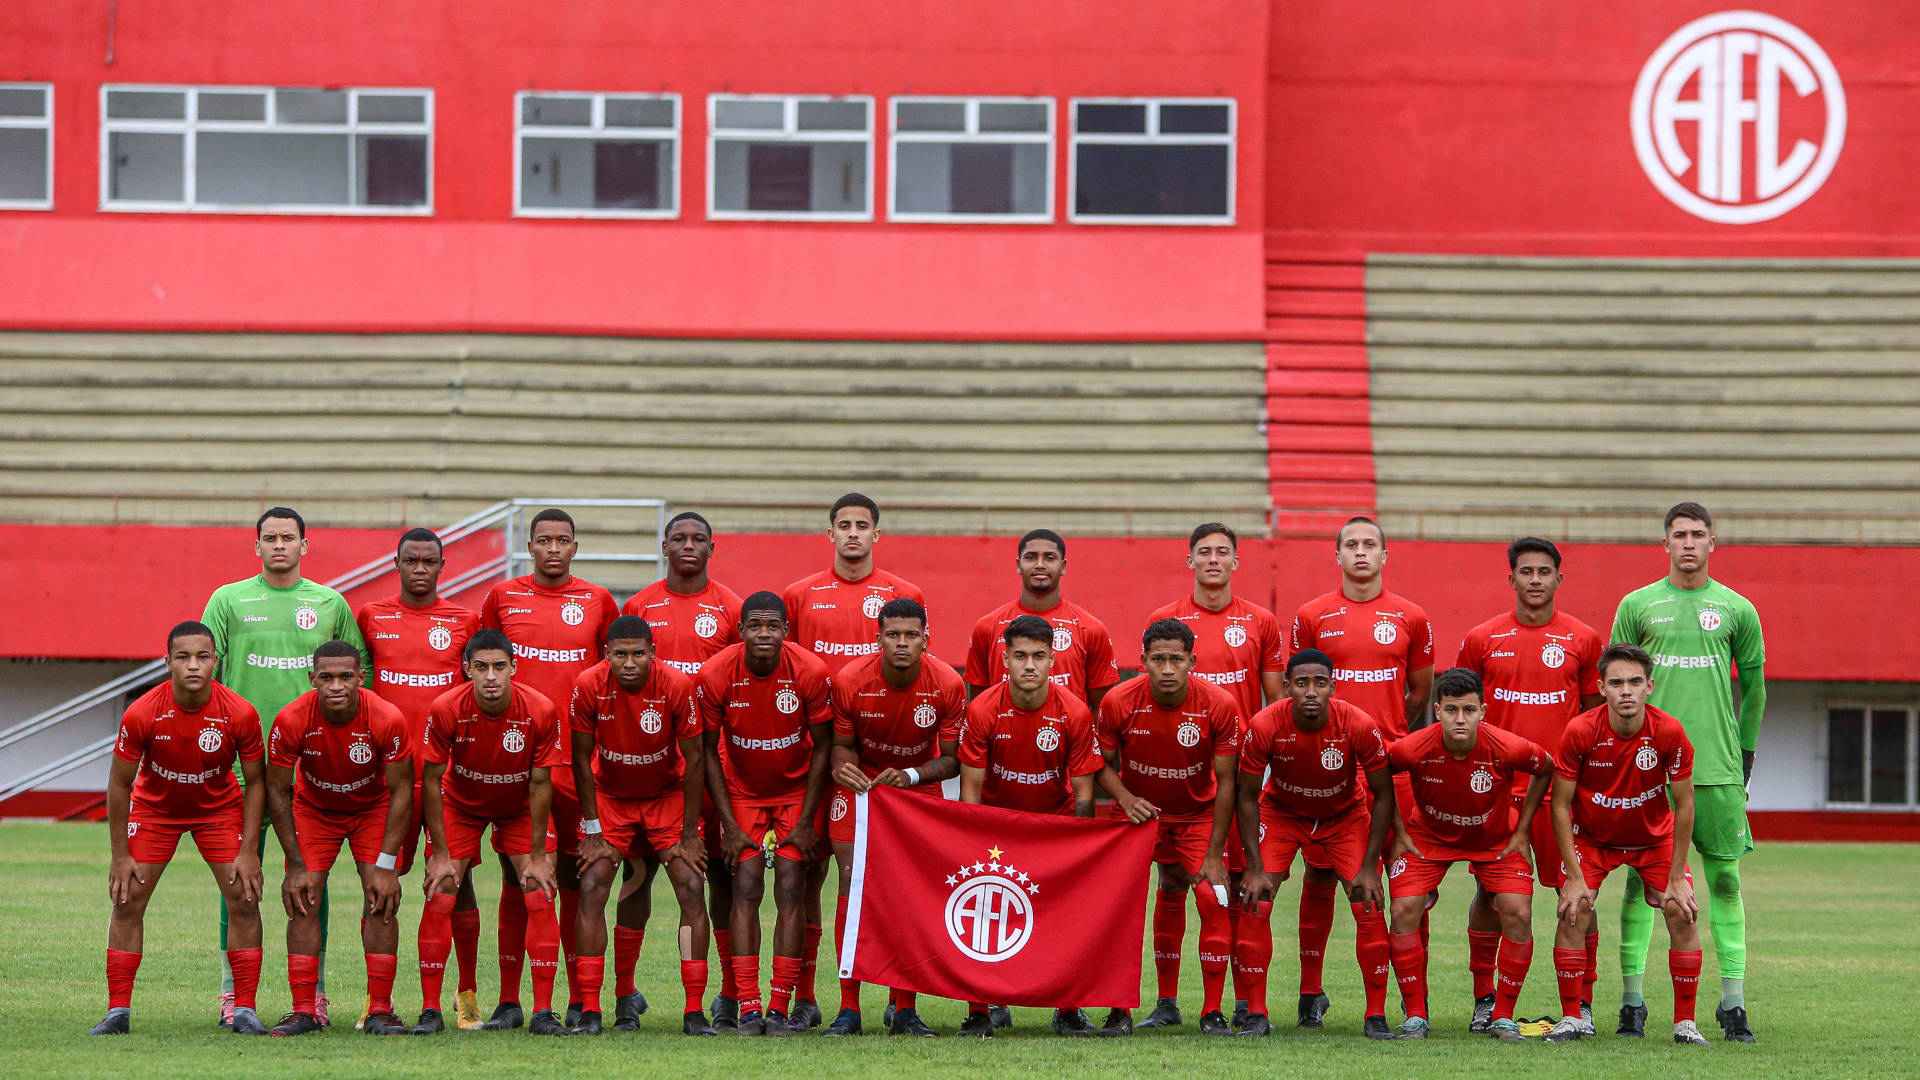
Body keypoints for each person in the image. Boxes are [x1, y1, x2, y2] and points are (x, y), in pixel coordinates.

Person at [200, 506, 368, 1027]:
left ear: (304, 545)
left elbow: (353, 678)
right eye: (269, 537)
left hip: (309, 768)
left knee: (309, 881)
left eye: (287, 537)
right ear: (256, 546)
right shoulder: (227, 600)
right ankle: (234, 995)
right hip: (243, 767)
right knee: (238, 882)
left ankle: (312, 995)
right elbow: (206, 672)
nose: (278, 545)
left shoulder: (329, 602)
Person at [1608, 501, 1765, 1042]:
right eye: (1680, 534)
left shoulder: (1737, 609)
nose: (1689, 543)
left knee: (1723, 879)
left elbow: (1756, 687)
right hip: (1648, 771)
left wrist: (1745, 753)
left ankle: (1733, 1002)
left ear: (1713, 542)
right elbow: (1615, 682)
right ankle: (1632, 1002)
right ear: (1665, 543)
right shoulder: (1637, 605)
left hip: (1717, 767)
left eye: (1699, 534)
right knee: (1640, 883)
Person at [781, 492, 926, 1027]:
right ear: (830, 534)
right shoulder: (800, 595)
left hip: (884, 770)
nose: (852, 534)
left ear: (877, 535)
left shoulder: (903, 595)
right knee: (809, 875)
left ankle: (897, 1002)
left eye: (862, 525)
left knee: (893, 885)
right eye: (843, 525)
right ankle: (805, 997)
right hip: (816, 759)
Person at [1287, 515, 1433, 1029]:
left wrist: (1384, 734)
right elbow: (1300, 685)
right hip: (1329, 769)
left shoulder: (1411, 616)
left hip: (1390, 770)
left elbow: (1419, 692)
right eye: (1351, 544)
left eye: (1370, 544)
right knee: (1320, 875)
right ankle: (1310, 992)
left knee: (1406, 883)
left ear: (1385, 555)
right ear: (1338, 555)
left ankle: (1415, 1002)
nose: (1361, 552)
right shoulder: (1311, 615)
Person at [1453, 537, 1603, 1031]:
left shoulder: (1583, 640)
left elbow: (1591, 719)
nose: (1535, 579)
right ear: (1511, 578)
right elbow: (1463, 714)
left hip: (1560, 796)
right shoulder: (1482, 639)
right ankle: (1484, 999)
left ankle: (1580, 1004)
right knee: (1497, 898)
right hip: (1500, 792)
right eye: (1526, 571)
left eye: (1544, 571)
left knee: (1575, 895)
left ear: (1559, 579)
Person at [93, 621, 268, 1036]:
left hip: (219, 811)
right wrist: (120, 855)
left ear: (215, 661)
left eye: (202, 657)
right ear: (167, 659)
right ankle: (118, 1011)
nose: (193, 665)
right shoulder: (142, 712)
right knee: (127, 900)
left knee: (244, 898)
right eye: (184, 657)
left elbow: (257, 781)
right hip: (156, 811)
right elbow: (119, 783)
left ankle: (243, 1009)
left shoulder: (239, 712)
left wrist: (249, 851)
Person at [479, 507, 618, 1028]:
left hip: (582, 765)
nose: (553, 549)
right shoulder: (502, 598)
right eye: (544, 540)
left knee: (578, 880)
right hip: (520, 764)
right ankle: (511, 1001)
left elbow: (613, 677)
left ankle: (583, 999)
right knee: (518, 879)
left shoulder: (598, 601)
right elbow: (483, 666)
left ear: (575, 547)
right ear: (529, 547)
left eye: (563, 540)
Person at [1144, 521, 1285, 1027]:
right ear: (1189, 561)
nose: (1212, 560)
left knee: (1239, 889)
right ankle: (1166, 1002)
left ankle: (1245, 999)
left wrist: (1270, 769)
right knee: (1175, 883)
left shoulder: (1261, 621)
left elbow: (1275, 703)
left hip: (1238, 778)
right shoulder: (1165, 620)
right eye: (1203, 552)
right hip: (1180, 779)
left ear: (1236, 562)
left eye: (1222, 552)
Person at [1544, 644, 1706, 1047]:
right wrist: (1575, 878)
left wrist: (1677, 877)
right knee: (1572, 909)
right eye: (1616, 683)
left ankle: (1685, 1024)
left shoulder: (1668, 731)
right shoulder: (1581, 731)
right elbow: (1560, 806)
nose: (1626, 691)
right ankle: (1573, 1017)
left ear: (1649, 685)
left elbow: (1685, 805)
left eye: (1635, 682)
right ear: (1601, 688)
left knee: (1681, 910)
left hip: (1653, 840)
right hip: (1594, 839)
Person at [357, 527, 485, 1030]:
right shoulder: (372, 617)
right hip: (386, 780)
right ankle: (377, 1002)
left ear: (442, 565)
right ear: (396, 562)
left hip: (443, 779)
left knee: (457, 883)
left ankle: (466, 995)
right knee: (378, 888)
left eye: (428, 561)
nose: (419, 569)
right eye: (410, 560)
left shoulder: (465, 620)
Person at [621, 510, 745, 1026]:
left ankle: (729, 992)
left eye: (698, 539)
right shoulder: (639, 606)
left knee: (717, 877)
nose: (688, 545)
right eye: (679, 538)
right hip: (647, 770)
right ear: (664, 545)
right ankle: (626, 990)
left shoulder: (731, 607)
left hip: (710, 766)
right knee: (636, 879)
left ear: (712, 548)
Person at [1382, 669, 1551, 1041]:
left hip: (1495, 841)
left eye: (1470, 710)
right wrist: (1397, 831)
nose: (1461, 719)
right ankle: (1415, 1015)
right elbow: (1382, 770)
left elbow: (1545, 768)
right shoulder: (1413, 747)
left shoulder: (1506, 746)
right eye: (1452, 710)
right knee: (1403, 909)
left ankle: (1501, 1014)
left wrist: (1522, 831)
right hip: (1428, 838)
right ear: (1438, 710)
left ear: (1483, 711)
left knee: (1517, 911)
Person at [414, 629, 568, 1036]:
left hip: (518, 805)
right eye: (481, 667)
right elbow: (431, 780)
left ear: (514, 668)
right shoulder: (446, 708)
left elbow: (539, 784)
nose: (491, 676)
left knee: (537, 888)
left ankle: (540, 1011)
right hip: (461, 804)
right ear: (467, 670)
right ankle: (431, 1009)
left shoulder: (540, 709)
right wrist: (442, 853)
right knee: (443, 887)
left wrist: (537, 855)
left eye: (499, 666)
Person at [1235, 649, 1395, 1040]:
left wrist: (1371, 866)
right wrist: (1255, 868)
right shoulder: (1265, 724)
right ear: (1287, 686)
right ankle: (1256, 1013)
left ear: (1333, 687)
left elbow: (1383, 793)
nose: (1311, 691)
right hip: (1283, 813)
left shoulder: (1358, 724)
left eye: (1319, 683)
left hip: (1344, 816)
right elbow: (1245, 796)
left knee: (1367, 901)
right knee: (1257, 900)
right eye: (1302, 683)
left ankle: (1375, 1015)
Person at [824, 597, 965, 1038]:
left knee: (909, 892)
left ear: (926, 638)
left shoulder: (946, 684)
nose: (902, 643)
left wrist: (908, 774)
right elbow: (841, 744)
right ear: (878, 638)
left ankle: (903, 1007)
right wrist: (841, 767)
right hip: (862, 788)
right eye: (893, 635)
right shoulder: (850, 681)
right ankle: (848, 1007)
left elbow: (951, 761)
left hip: (915, 789)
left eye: (911, 635)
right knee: (850, 879)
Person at [1094, 619, 1243, 1037]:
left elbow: (1227, 781)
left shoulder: (1219, 704)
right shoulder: (1118, 702)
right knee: (1118, 911)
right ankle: (1124, 1009)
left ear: (1192, 661)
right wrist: (1125, 799)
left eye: (1176, 659)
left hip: (1196, 817)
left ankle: (1212, 1011)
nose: (1166, 668)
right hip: (1138, 818)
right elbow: (1098, 764)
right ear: (1142, 661)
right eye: (1157, 659)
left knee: (1212, 899)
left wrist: (1215, 854)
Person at [956, 615, 1103, 1037]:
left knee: (1065, 918)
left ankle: (1069, 1008)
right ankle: (983, 1009)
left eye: (1039, 656)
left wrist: (1080, 851)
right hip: (998, 829)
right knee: (987, 916)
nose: (1030, 665)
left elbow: (1085, 793)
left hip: (1052, 828)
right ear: (1005, 659)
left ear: (1053, 660)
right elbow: (971, 791)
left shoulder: (1073, 711)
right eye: (1020, 656)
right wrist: (975, 847)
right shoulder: (983, 709)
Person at [569, 616, 714, 1036]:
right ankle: (595, 1009)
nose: (629, 663)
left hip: (664, 797)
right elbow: (581, 758)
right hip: (612, 800)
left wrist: (689, 835)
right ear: (606, 655)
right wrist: (594, 831)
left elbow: (696, 760)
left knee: (690, 885)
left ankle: (693, 1011)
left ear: (653, 653)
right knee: (594, 882)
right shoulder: (588, 686)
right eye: (620, 655)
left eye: (638, 654)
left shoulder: (676, 686)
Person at [697, 592, 834, 1036]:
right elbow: (708, 753)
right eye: (755, 626)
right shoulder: (716, 673)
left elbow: (823, 748)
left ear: (786, 631)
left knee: (792, 885)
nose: (763, 634)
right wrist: (729, 826)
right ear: (740, 631)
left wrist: (806, 818)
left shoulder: (810, 672)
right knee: (747, 885)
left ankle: (779, 1007)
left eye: (772, 626)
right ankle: (748, 1006)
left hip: (795, 791)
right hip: (742, 791)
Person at [261, 641, 413, 1036]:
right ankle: (303, 1011)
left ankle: (380, 1010)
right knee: (303, 897)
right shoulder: (291, 719)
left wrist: (385, 865)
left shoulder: (386, 718)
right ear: (312, 679)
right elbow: (277, 790)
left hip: (371, 809)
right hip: (315, 811)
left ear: (361, 679)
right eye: (326, 677)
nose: (336, 686)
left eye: (346, 676)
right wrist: (294, 864)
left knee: (381, 898)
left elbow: (401, 792)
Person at [966, 529, 1121, 712]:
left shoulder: (1091, 629)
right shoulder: (987, 627)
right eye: (1031, 557)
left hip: (1069, 738)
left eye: (1049, 558)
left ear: (1063, 566)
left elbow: (1102, 710)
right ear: (1018, 565)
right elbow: (978, 705)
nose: (1040, 564)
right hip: (1002, 738)